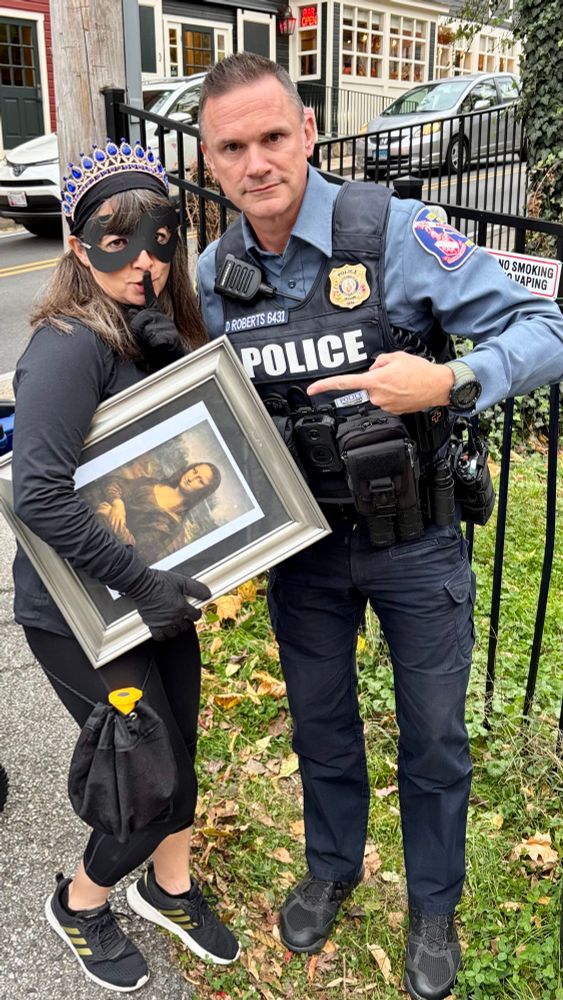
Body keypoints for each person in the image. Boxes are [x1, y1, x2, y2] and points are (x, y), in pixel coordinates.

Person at [195, 53, 563, 1000]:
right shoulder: (214, 276)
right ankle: (332, 867)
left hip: (414, 543)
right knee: (321, 726)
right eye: (232, 146)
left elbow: (544, 324)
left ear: (306, 132)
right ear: (210, 160)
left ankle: (433, 903)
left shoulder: (389, 231)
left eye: (273, 136)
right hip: (304, 549)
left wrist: (449, 379)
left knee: (433, 734)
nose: (257, 162)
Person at [11, 138, 239, 993]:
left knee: (182, 745)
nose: (143, 258)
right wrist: (145, 584)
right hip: (80, 611)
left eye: (160, 236)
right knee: (146, 774)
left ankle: (168, 888)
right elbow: (37, 493)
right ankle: (79, 902)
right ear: (78, 246)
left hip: (147, 596)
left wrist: (171, 360)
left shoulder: (152, 329)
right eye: (117, 236)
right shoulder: (69, 346)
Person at [93, 461, 222, 563]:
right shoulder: (154, 483)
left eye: (200, 481)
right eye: (194, 471)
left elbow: (138, 552)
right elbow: (114, 482)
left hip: (101, 544)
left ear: (202, 491)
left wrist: (113, 521)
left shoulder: (170, 523)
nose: (191, 478)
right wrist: (117, 502)